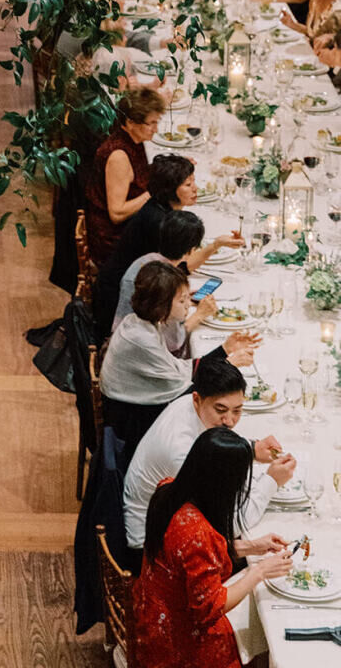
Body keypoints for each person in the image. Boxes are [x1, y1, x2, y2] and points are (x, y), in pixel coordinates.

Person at [133, 427, 292, 667]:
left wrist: (252, 546)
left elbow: (186, 558)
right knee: (265, 621)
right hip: (176, 641)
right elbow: (209, 607)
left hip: (151, 613)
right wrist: (258, 572)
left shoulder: (169, 489)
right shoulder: (198, 534)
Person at [124, 358, 296, 556]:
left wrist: (251, 449)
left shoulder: (189, 406)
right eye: (221, 410)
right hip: (152, 549)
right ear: (197, 399)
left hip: (174, 526)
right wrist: (272, 481)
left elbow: (213, 447)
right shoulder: (180, 451)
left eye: (238, 410)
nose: (230, 421)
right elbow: (228, 524)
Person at [99, 260, 257, 456]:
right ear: (161, 303)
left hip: (131, 411)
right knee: (216, 411)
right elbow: (184, 394)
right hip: (132, 426)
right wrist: (228, 364)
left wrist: (224, 350)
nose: (189, 305)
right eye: (182, 300)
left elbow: (179, 370)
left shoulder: (140, 323)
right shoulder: (141, 339)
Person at [93, 155, 241, 340]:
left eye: (193, 182)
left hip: (126, 288)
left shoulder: (161, 208)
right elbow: (183, 266)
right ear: (170, 190)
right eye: (187, 185)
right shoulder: (160, 223)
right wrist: (215, 246)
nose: (195, 189)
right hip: (118, 304)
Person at [112, 210, 219, 350]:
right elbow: (173, 343)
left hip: (122, 337)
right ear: (191, 251)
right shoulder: (166, 281)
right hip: (137, 348)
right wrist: (199, 315)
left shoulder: (147, 261)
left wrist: (182, 299)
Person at [83, 88, 167, 267]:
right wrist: (153, 191)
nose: (155, 129)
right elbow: (116, 213)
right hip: (113, 242)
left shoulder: (133, 140)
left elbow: (138, 174)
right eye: (150, 123)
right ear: (130, 122)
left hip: (128, 228)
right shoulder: (118, 156)